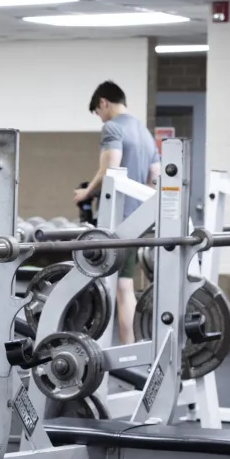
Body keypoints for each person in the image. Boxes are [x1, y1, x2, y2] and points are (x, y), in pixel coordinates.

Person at [74, 81, 160, 345]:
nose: (100, 118)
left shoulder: (112, 127)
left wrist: (86, 192)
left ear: (103, 102)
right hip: (137, 219)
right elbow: (154, 178)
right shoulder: (144, 132)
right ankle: (128, 349)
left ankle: (125, 351)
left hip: (117, 220)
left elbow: (110, 170)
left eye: (98, 112)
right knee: (124, 287)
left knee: (120, 288)